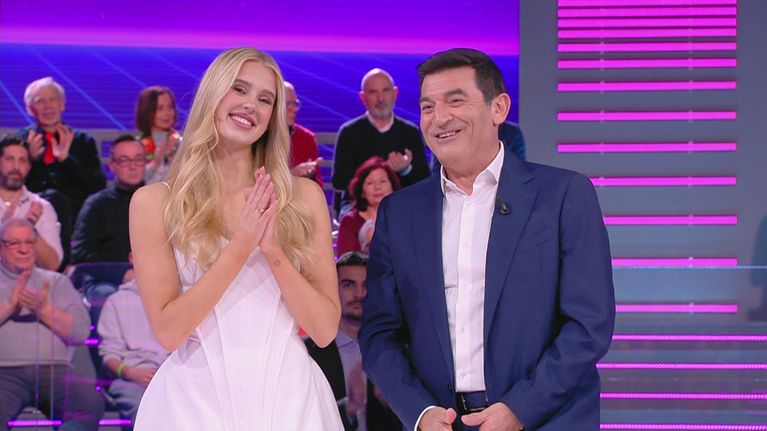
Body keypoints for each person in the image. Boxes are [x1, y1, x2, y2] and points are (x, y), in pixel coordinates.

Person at [359, 48, 615, 431]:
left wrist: (520, 409)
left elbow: (589, 324)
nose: (439, 117)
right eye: (428, 107)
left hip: (545, 419)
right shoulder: (399, 213)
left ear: (499, 108)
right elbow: (379, 333)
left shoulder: (563, 196)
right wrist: (419, 412)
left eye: (455, 101)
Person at [129, 47, 343, 430]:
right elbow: (168, 332)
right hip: (192, 406)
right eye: (239, 89)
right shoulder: (154, 203)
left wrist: (273, 250)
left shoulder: (303, 198)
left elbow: (325, 331)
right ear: (213, 94)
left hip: (291, 401)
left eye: (265, 99)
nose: (250, 105)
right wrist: (241, 246)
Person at [0, 218, 104, 431]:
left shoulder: (57, 282)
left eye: (29, 243)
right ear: (1, 247)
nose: (24, 250)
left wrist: (44, 310)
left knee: (89, 404)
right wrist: (10, 305)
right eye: (15, 243)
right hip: (4, 372)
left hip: (55, 371)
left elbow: (81, 332)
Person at [306, 252, 401, 431]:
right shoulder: (308, 352)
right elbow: (302, 415)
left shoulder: (395, 349)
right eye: (348, 285)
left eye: (366, 285)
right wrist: (350, 407)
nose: (359, 294)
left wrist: (391, 403)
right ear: (333, 289)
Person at [331, 68, 429, 216]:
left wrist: (405, 170)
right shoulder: (349, 132)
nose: (381, 99)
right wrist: (381, 170)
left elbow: (424, 181)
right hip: (358, 206)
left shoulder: (410, 132)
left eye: (385, 91)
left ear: (395, 94)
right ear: (363, 97)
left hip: (401, 206)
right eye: (373, 92)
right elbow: (339, 180)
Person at [72, 135, 146, 323]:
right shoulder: (97, 204)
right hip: (106, 280)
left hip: (152, 278)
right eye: (124, 160)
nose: (133, 166)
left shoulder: (160, 201)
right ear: (112, 166)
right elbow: (81, 254)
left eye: (138, 159)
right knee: (107, 295)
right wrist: (122, 273)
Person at [97, 271, 169, 430]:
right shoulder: (116, 301)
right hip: (130, 377)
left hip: (169, 375)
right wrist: (131, 373)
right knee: (146, 409)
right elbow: (109, 355)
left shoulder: (175, 298)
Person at [0, 134, 63, 270]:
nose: (16, 166)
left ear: (29, 167)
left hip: (32, 281)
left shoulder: (42, 208)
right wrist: (5, 229)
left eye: (22, 160)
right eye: (10, 159)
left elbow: (52, 266)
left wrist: (29, 229)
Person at [336, 157, 399, 256]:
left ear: (392, 186)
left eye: (383, 181)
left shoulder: (403, 218)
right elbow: (346, 261)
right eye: (370, 183)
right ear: (362, 192)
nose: (378, 187)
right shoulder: (350, 222)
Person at [135, 86, 182, 184]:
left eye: (170, 107)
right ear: (146, 111)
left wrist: (175, 161)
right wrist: (156, 163)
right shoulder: (137, 146)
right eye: (160, 108)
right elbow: (134, 179)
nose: (167, 113)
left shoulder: (181, 143)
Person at [285, 81, 323, 185]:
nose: (294, 109)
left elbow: (319, 185)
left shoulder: (307, 137)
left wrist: (311, 175)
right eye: (288, 104)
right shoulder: (258, 136)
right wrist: (292, 175)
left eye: (295, 104)